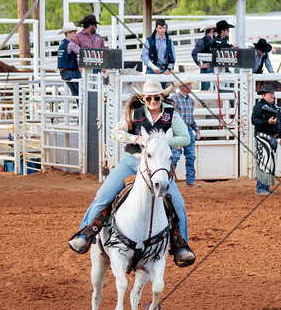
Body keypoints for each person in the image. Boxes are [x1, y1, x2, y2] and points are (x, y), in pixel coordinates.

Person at [68, 79, 195, 267]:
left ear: (162, 97)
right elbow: (116, 133)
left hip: (158, 165)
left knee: (178, 203)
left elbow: (185, 137)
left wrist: (162, 143)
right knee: (103, 195)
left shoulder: (171, 115)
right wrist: (136, 138)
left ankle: (180, 245)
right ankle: (85, 234)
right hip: (131, 161)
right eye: (149, 98)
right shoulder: (134, 114)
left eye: (157, 98)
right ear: (143, 99)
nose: (153, 101)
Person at [251, 84, 281, 195]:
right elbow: (254, 120)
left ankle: (264, 187)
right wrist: (267, 122)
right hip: (263, 137)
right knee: (264, 162)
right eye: (271, 94)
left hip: (271, 137)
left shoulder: (273, 106)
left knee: (268, 162)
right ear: (264, 95)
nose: (273, 95)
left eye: (273, 93)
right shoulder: (259, 106)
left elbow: (279, 123)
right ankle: (261, 187)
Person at [171, 77, 201, 187]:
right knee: (175, 156)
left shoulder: (190, 100)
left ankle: (190, 180)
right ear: (183, 87)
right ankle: (170, 179)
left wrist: (196, 129)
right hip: (179, 130)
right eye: (189, 85)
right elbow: (172, 117)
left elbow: (191, 117)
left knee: (191, 156)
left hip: (187, 128)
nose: (191, 87)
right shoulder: (175, 99)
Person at [141, 19, 176, 87]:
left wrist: (169, 69)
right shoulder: (149, 40)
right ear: (156, 28)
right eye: (160, 28)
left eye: (164, 28)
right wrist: (154, 67)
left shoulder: (169, 41)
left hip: (164, 70)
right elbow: (144, 56)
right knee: (151, 91)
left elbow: (173, 58)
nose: (162, 30)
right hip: (151, 69)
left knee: (162, 93)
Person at [57, 22, 81, 97]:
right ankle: (83, 108)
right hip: (71, 72)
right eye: (74, 33)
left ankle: (81, 108)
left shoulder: (62, 44)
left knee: (76, 94)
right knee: (81, 92)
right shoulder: (70, 44)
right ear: (68, 33)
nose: (76, 34)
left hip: (64, 73)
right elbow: (82, 52)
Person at [191, 22, 217, 91]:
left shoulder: (214, 40)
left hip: (213, 68)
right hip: (207, 68)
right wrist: (200, 65)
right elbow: (194, 52)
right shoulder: (202, 41)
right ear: (212, 29)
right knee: (205, 90)